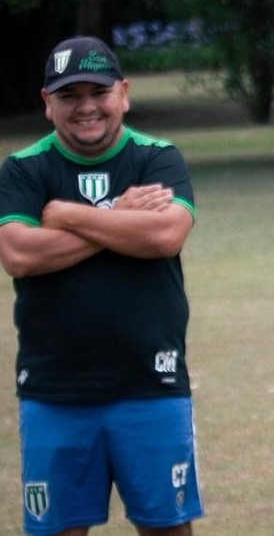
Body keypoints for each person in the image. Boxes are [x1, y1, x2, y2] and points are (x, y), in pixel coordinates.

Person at [0, 36, 203, 536]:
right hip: (54, 393)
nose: (86, 106)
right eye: (69, 95)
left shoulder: (157, 158)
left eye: (99, 92)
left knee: (168, 528)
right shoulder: (24, 168)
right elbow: (19, 254)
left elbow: (164, 236)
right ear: (47, 103)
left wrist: (66, 215)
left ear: (124, 94)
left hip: (152, 384)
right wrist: (119, 215)